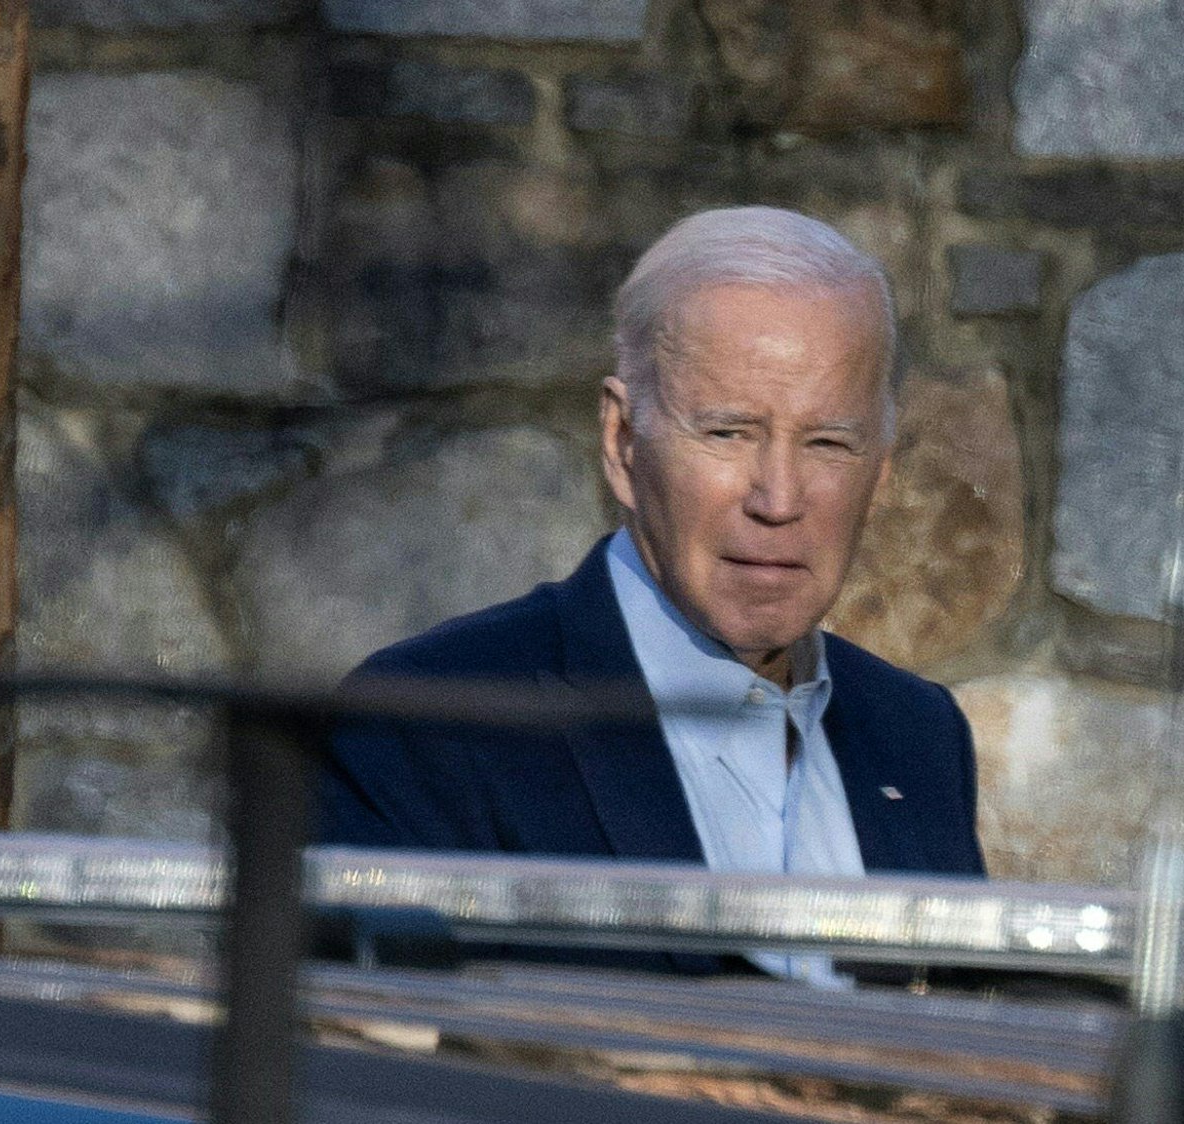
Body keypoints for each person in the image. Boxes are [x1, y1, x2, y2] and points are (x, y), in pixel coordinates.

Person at [318, 206, 987, 977]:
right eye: (728, 433)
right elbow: (365, 1040)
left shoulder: (918, 734)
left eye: (827, 443)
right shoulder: (428, 723)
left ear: (882, 473)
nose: (777, 499)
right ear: (622, 440)